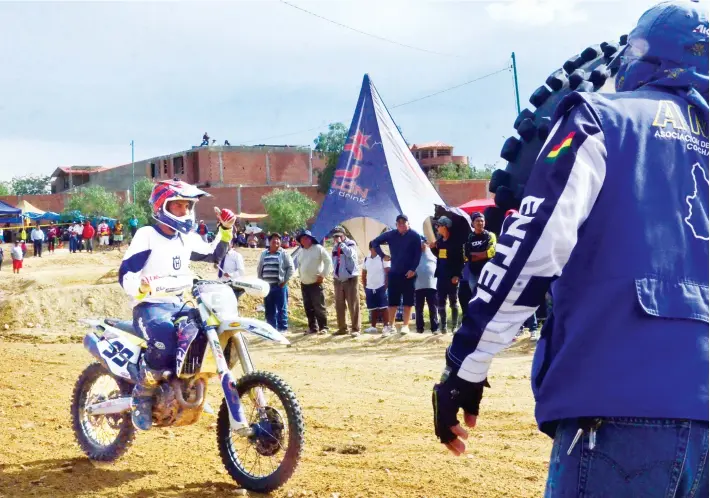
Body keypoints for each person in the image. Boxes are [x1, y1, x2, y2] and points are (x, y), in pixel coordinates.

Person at [432, 2, 709, 495]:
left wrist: (466, 364)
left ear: (637, 57)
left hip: (619, 402)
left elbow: (533, 250)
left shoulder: (602, 119)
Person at [119, 179, 236, 431]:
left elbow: (214, 253)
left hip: (179, 304)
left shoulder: (187, 238)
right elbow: (126, 273)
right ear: (162, 206)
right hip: (150, 307)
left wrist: (225, 229)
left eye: (187, 206)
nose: (184, 211)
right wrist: (139, 287)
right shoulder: (147, 235)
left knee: (202, 335)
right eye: (178, 206)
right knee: (163, 336)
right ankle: (142, 393)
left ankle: (187, 390)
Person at [371, 214, 422, 334]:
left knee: (408, 301)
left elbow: (418, 254)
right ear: (396, 224)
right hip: (394, 272)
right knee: (392, 301)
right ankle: (391, 326)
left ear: (408, 223)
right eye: (399, 223)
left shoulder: (414, 236)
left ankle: (405, 325)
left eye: (404, 222)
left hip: (409, 273)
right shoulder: (391, 234)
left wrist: (413, 269)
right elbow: (375, 242)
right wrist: (383, 255)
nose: (401, 225)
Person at [430, 216, 464, 334]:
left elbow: (461, 260)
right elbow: (439, 255)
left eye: (438, 226)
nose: (437, 228)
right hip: (441, 275)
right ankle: (443, 327)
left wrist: (457, 275)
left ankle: (454, 326)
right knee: (440, 301)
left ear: (445, 227)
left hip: (452, 277)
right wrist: (433, 249)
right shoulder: (439, 241)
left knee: (453, 302)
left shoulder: (456, 242)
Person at [295, 230, 331, 335]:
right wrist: (300, 276)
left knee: (319, 306)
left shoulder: (318, 249)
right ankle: (312, 328)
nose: (304, 240)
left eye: (306, 238)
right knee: (308, 307)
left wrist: (323, 275)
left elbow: (328, 261)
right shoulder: (300, 252)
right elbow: (300, 265)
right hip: (304, 283)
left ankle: (323, 327)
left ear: (311, 239)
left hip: (316, 283)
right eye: (302, 238)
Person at [257, 233, 294, 333]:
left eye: (278, 240)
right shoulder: (264, 254)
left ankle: (283, 328)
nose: (276, 241)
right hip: (266, 287)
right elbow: (260, 268)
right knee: (269, 309)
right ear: (269, 241)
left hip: (279, 286)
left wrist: (284, 281)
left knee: (282, 308)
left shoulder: (284, 254)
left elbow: (291, 269)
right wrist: (260, 281)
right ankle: (271, 329)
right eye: (274, 239)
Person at [331, 227, 361, 337]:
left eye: (339, 235)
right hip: (338, 279)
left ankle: (355, 328)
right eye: (335, 236)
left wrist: (341, 244)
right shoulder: (334, 247)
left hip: (350, 279)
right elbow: (334, 260)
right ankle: (342, 327)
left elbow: (350, 254)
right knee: (339, 305)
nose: (337, 238)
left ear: (344, 235)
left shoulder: (350, 243)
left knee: (353, 304)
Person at [362, 241, 391, 335]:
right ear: (370, 248)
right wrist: (365, 286)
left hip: (380, 286)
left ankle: (386, 326)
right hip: (370, 287)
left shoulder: (383, 258)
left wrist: (385, 286)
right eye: (375, 247)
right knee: (372, 308)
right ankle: (373, 327)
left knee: (383, 307)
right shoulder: (366, 259)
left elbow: (387, 272)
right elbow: (364, 273)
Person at [464, 213, 496, 292]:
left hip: (488, 271)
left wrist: (473, 255)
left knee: (489, 293)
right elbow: (466, 256)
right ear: (473, 223)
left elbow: (491, 253)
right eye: (477, 221)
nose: (480, 223)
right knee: (475, 292)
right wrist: (483, 254)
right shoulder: (468, 237)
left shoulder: (490, 235)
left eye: (482, 221)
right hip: (474, 272)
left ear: (485, 222)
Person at [415, 239, 439, 334]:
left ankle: (435, 328)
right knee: (419, 308)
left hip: (432, 284)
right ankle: (419, 328)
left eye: (424, 242)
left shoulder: (433, 252)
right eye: (421, 243)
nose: (422, 244)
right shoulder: (415, 253)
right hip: (418, 285)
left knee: (433, 307)